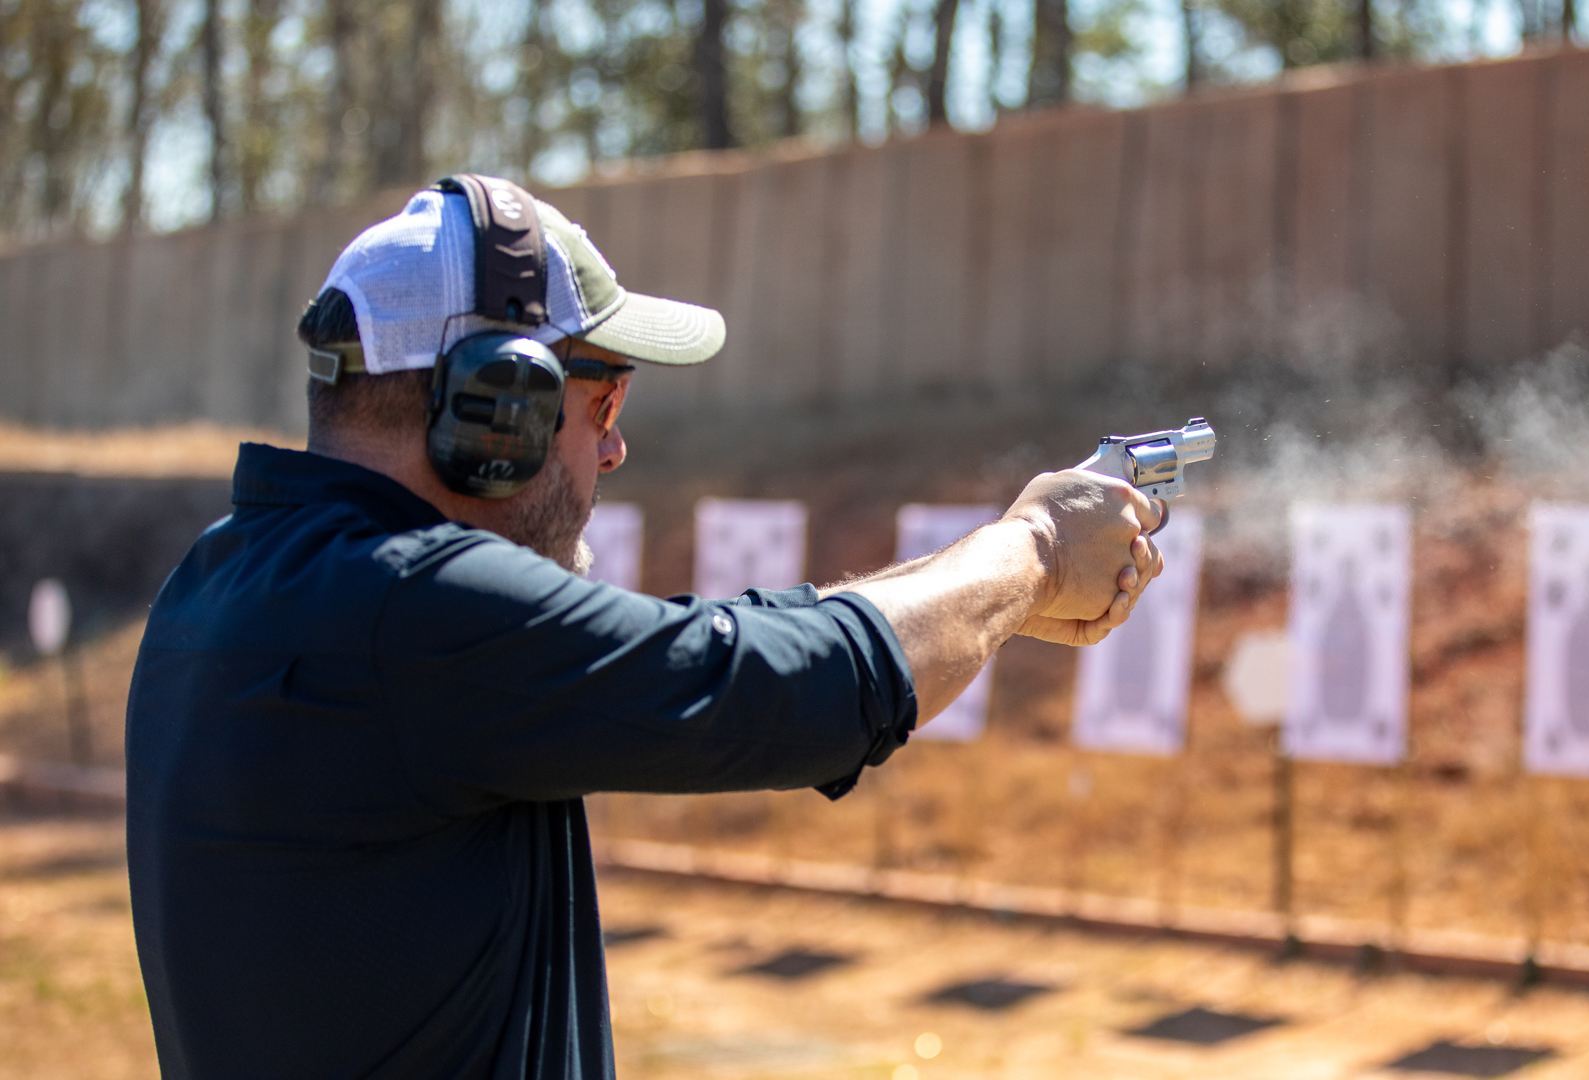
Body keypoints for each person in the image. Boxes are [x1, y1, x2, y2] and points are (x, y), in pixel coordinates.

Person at [125, 175, 1163, 1080]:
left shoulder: (221, 585)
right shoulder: (410, 612)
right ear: (500, 409)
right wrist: (1030, 553)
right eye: (605, 402)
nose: (614, 454)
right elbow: (788, 688)